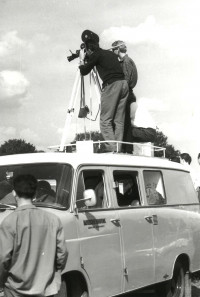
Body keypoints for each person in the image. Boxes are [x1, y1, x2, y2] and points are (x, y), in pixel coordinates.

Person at [0, 174, 68, 297]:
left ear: (14, 193)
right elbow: (62, 254)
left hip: (15, 291)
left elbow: (3, 259)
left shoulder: (9, 222)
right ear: (35, 193)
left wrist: (2, 282)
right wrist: (56, 272)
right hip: (46, 289)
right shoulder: (53, 220)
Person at [79, 31, 129, 152]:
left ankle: (112, 150)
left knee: (105, 120)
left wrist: (82, 60)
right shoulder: (109, 54)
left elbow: (84, 71)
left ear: (88, 49)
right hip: (123, 84)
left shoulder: (96, 54)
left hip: (111, 85)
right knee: (118, 121)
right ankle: (118, 148)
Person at [111, 40, 138, 150]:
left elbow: (126, 81)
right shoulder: (126, 60)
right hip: (128, 94)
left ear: (118, 49)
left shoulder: (126, 61)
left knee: (124, 123)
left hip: (126, 94)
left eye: (113, 50)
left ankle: (126, 149)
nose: (113, 52)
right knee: (125, 123)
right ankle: (126, 148)